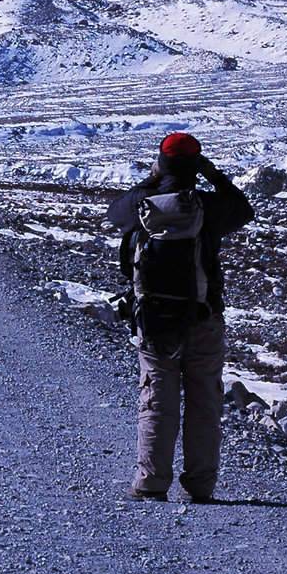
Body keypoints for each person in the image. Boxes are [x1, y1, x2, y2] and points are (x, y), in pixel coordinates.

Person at [107, 132, 253, 503]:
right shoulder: (207, 205)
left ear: (163, 161)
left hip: (154, 322)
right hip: (203, 318)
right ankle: (200, 486)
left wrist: (152, 179)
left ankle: (152, 482)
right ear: (196, 166)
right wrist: (213, 175)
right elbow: (243, 209)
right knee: (204, 401)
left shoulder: (142, 204)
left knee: (157, 400)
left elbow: (114, 213)